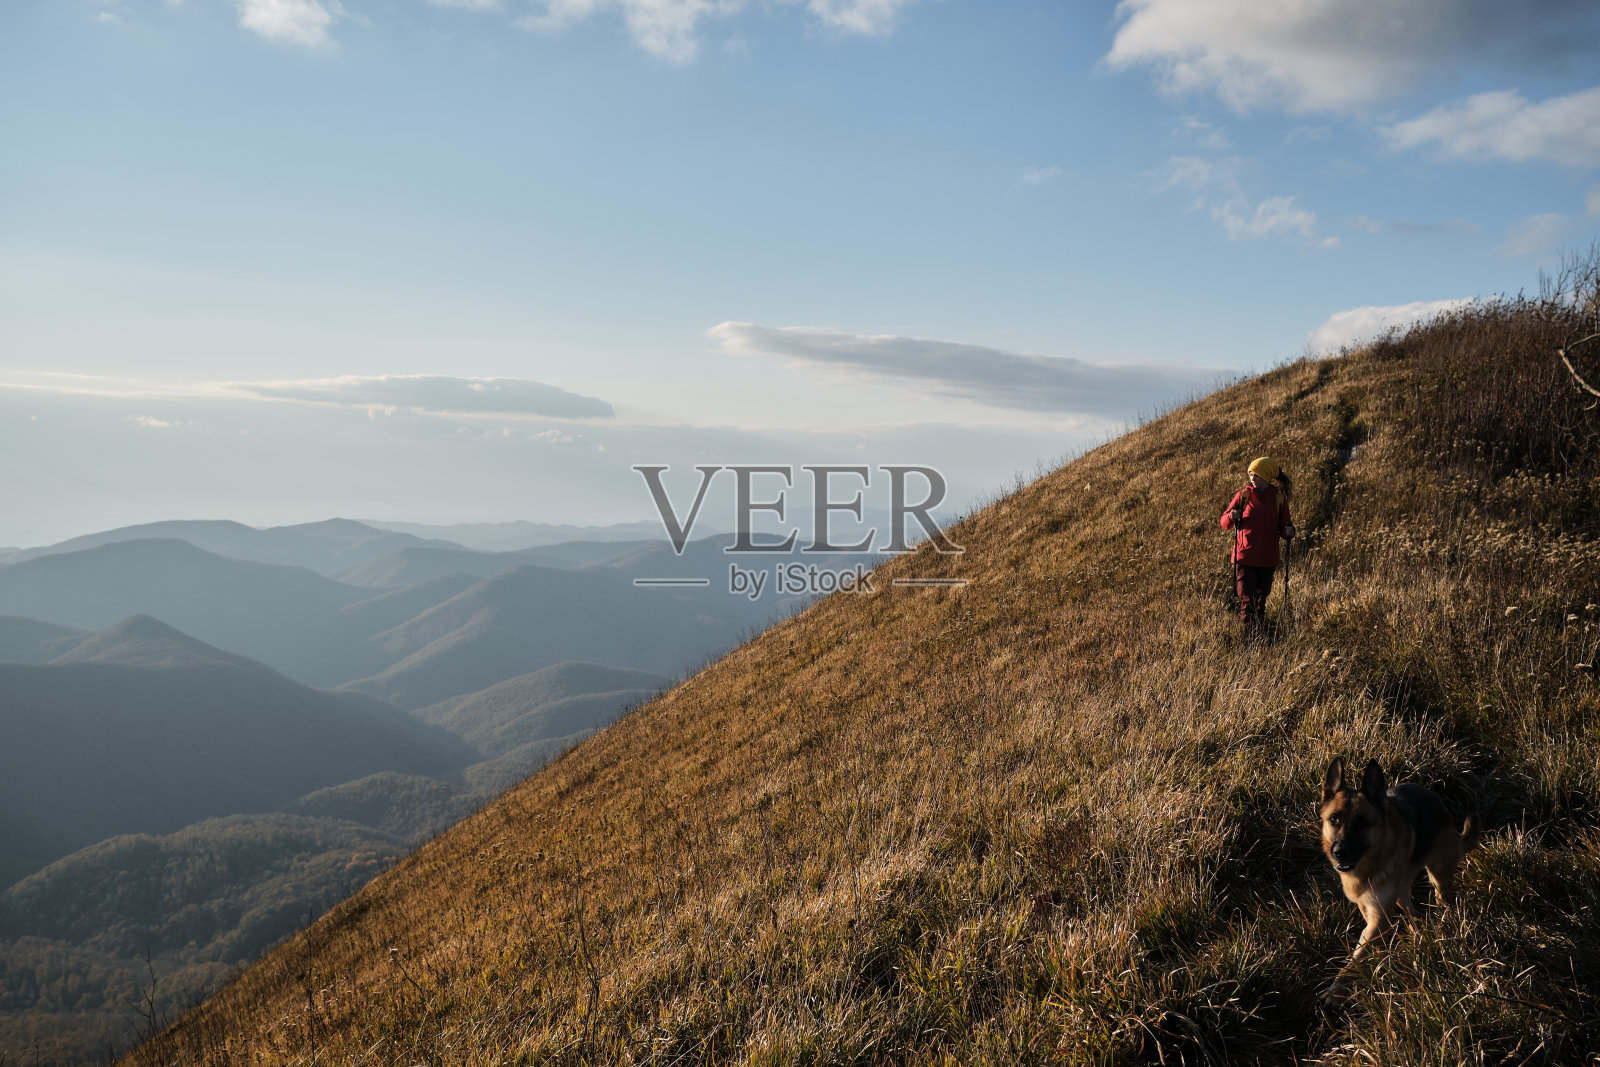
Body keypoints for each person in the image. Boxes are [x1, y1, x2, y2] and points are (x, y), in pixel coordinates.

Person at [1220, 457, 1296, 637]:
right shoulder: (1243, 496)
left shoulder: (1278, 499)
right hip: (1244, 556)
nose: (1253, 477)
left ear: (1268, 476)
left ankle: (1258, 632)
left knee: (1261, 600)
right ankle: (1249, 636)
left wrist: (1290, 531)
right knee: (1247, 599)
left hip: (1267, 559)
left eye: (1258, 474)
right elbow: (1224, 522)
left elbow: (1285, 529)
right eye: (1251, 474)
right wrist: (1232, 516)